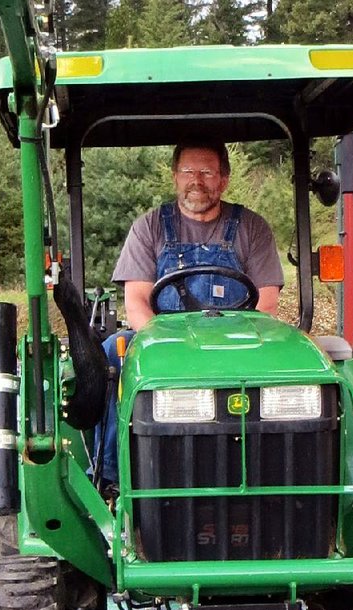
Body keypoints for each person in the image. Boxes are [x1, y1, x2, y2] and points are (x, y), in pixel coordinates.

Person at [95, 139, 285, 492]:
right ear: (174, 177)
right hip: (164, 345)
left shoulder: (251, 228)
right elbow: (136, 301)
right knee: (112, 352)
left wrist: (231, 351)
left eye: (207, 172)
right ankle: (113, 477)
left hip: (238, 347)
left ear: (223, 180)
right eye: (187, 171)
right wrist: (167, 350)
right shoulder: (149, 227)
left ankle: (279, 473)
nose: (196, 180)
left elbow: (266, 306)